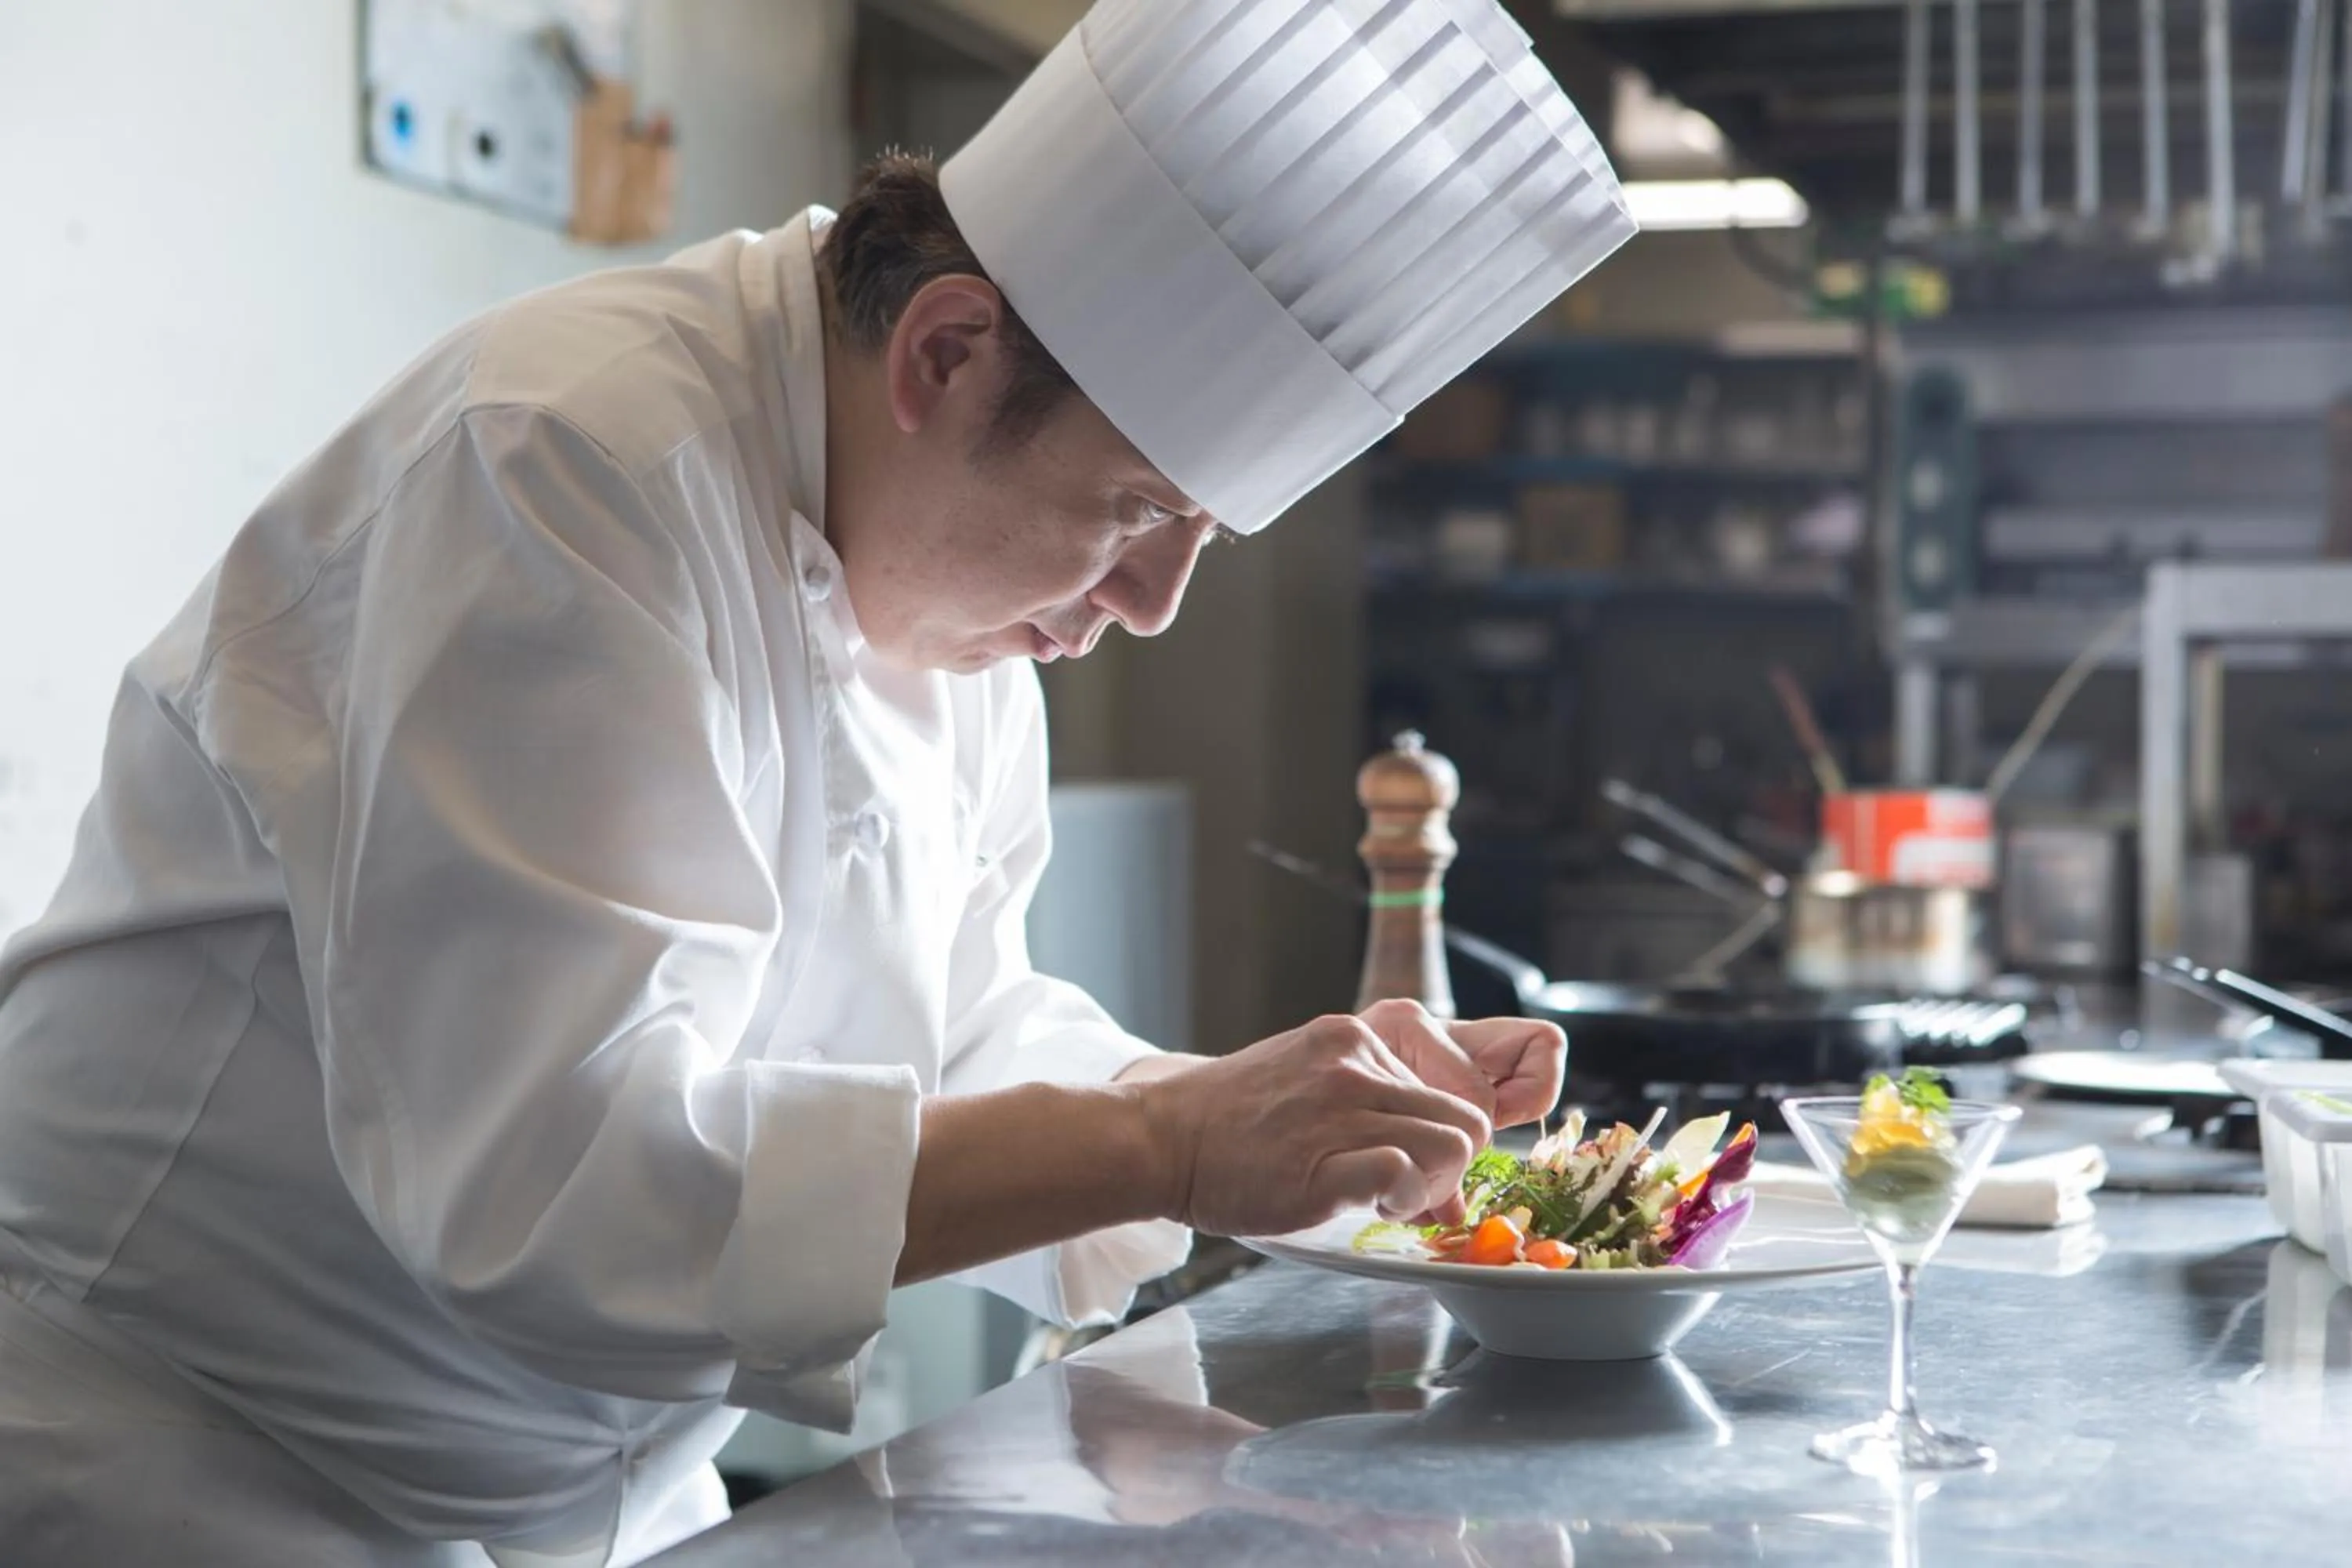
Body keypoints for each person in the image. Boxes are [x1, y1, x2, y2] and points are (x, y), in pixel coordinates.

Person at [0, 0, 1634, 1563]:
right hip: (191, 1454)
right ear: (948, 352)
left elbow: (964, 1031)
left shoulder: (957, 583)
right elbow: (566, 1193)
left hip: (595, 1493)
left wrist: (1294, 1111)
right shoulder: (561, 470)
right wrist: (1177, 1147)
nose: (1151, 605)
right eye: (1143, 512)